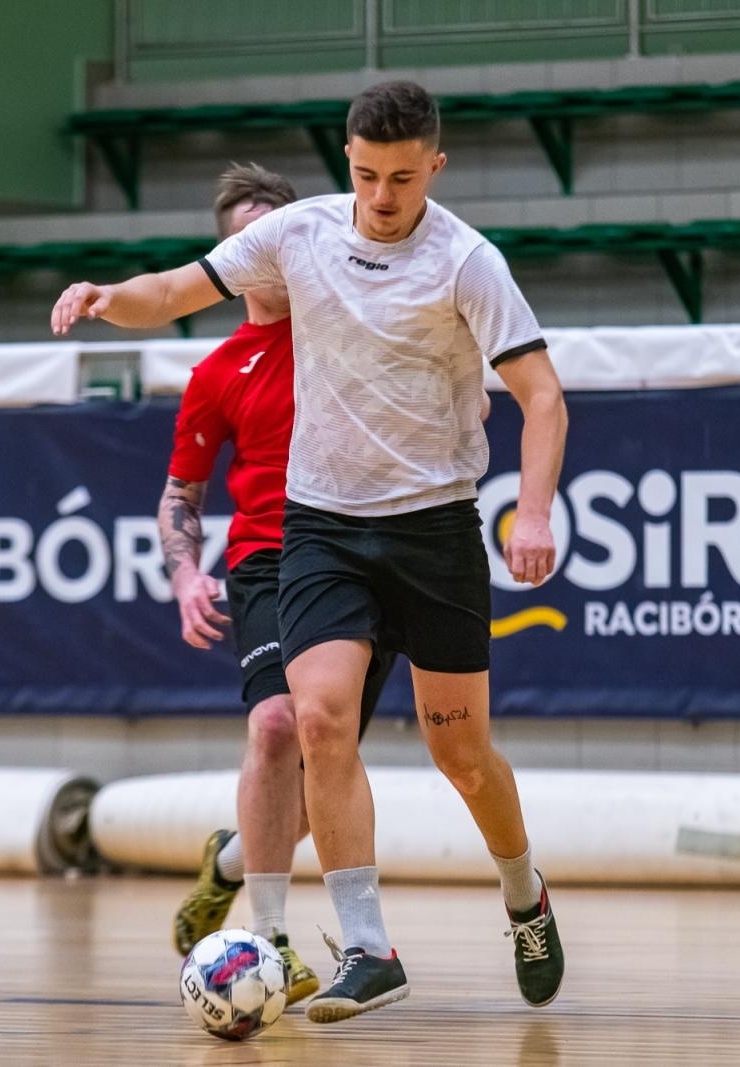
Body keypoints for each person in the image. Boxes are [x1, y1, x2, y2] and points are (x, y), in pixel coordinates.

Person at [52, 79, 568, 1025]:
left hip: (434, 527)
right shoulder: (299, 235)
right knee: (317, 720)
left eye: (403, 179)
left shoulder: (469, 262)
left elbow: (542, 397)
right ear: (346, 163)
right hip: (321, 525)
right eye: (367, 175)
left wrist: (531, 513)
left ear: (435, 168)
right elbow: (174, 290)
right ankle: (368, 948)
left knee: (464, 755)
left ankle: (525, 893)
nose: (382, 196)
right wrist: (103, 297)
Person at [158, 162, 393, 1004]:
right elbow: (181, 495)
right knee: (274, 724)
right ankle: (267, 937)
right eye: (240, 241)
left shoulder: (353, 328)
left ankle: (229, 858)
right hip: (265, 557)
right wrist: (187, 575)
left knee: (318, 774)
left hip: (358, 553)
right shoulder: (218, 370)